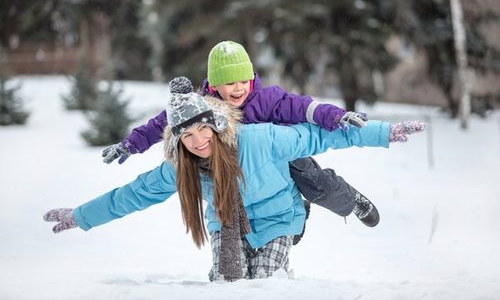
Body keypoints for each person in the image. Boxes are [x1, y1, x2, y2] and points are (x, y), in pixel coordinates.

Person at [44, 77, 426, 282]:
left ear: (213, 124)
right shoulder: (182, 167)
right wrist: (82, 216)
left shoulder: (258, 139)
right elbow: (133, 194)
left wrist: (383, 133)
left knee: (261, 285)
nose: (198, 142)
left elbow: (321, 136)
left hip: (279, 220)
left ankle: (286, 268)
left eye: (202, 132)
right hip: (227, 227)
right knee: (228, 285)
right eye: (187, 137)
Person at [101, 41, 380, 241]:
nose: (239, 88)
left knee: (317, 184)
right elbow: (162, 123)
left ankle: (351, 199)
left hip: (282, 155)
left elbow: (305, 107)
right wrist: (131, 144)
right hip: (239, 167)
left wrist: (337, 116)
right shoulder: (200, 104)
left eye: (244, 79)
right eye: (230, 81)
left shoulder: (267, 98)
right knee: (245, 208)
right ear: (214, 84)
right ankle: (291, 217)